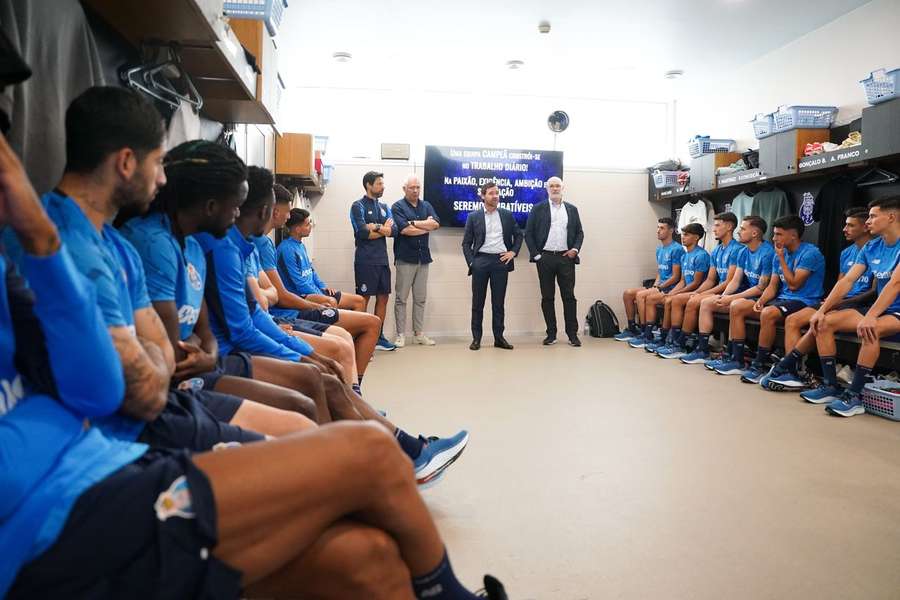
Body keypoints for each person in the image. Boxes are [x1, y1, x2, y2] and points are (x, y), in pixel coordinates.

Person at [0, 133, 508, 600]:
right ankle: (405, 471)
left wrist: (180, 353)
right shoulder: (113, 242)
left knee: (367, 555)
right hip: (78, 498)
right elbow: (143, 379)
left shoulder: (157, 244)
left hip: (121, 441)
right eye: (158, 164)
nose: (161, 180)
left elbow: (172, 344)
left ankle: (401, 466)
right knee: (353, 434)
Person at [194, 168, 470, 486]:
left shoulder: (238, 247)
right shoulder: (226, 248)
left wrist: (300, 348)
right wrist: (301, 353)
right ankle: (370, 465)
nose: (276, 218)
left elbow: (256, 312)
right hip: (236, 349)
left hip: (255, 334)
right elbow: (251, 320)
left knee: (331, 365)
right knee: (319, 372)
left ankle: (400, 450)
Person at [120, 141, 329, 425]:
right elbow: (172, 349)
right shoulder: (157, 244)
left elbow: (202, 331)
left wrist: (205, 352)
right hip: (169, 385)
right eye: (235, 206)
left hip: (205, 362)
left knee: (311, 383)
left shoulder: (194, 246)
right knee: (298, 406)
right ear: (210, 206)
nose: (237, 215)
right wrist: (202, 350)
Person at [761, 199, 900, 417]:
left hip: (894, 311)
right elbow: (846, 282)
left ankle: (854, 396)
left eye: (873, 216)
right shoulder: (872, 247)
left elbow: (895, 284)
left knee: (871, 329)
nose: (869, 222)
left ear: (891, 217)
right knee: (823, 322)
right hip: (878, 308)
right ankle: (830, 386)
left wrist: (871, 316)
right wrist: (822, 310)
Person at [257, 187, 382, 389]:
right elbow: (281, 294)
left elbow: (285, 286)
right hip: (289, 311)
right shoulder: (273, 247)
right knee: (361, 327)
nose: (289, 216)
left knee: (358, 312)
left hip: (291, 306)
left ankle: (354, 389)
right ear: (274, 212)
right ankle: (353, 391)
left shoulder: (287, 246)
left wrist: (322, 289)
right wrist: (314, 304)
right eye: (288, 211)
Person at [759, 208, 874, 391]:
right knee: (793, 320)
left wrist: (839, 303)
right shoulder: (846, 253)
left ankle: (793, 368)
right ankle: (792, 373)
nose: (844, 229)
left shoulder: (876, 249)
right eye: (845, 224)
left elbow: (873, 291)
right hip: (839, 302)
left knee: (821, 322)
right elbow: (842, 283)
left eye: (850, 225)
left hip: (860, 304)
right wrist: (830, 302)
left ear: (865, 227)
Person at [714, 215, 825, 383]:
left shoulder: (810, 253)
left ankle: (761, 365)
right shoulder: (778, 254)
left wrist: (781, 258)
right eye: (774, 234)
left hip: (805, 300)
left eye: (779, 234)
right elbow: (772, 286)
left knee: (768, 314)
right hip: (782, 299)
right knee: (737, 307)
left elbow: (794, 285)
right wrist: (761, 300)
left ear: (793, 235)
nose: (774, 238)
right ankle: (737, 360)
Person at [680, 215, 774, 365]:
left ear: (755, 233)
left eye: (743, 229)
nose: (739, 232)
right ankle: (703, 350)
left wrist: (729, 298)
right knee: (707, 303)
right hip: (744, 296)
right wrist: (723, 297)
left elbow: (761, 287)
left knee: (734, 306)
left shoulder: (767, 252)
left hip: (763, 299)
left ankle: (734, 357)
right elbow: (735, 281)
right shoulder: (744, 252)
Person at [656, 212, 742, 359]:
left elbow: (729, 281)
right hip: (717, 291)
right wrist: (699, 292)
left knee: (693, 300)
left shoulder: (737, 249)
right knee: (682, 299)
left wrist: (702, 294)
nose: (714, 229)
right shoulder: (716, 250)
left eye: (717, 225)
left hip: (734, 293)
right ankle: (678, 343)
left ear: (729, 227)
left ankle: (688, 345)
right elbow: (709, 280)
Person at [462, 181, 523, 350]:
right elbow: (466, 243)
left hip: (500, 262)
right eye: (491, 193)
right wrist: (472, 263)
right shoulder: (473, 217)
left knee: (498, 303)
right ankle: (476, 339)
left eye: (497, 193)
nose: (495, 196)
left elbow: (519, 236)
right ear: (483, 196)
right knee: (477, 303)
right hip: (480, 262)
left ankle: (499, 338)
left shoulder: (506, 214)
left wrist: (513, 252)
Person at [524, 176, 585, 347]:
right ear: (547, 189)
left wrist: (575, 249)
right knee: (547, 297)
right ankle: (551, 334)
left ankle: (572, 334)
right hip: (545, 258)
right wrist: (537, 255)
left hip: (566, 258)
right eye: (551, 186)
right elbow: (528, 234)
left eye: (557, 186)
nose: (555, 188)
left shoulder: (572, 209)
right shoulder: (538, 209)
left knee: (569, 297)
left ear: (562, 188)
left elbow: (579, 232)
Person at [629, 223, 709, 349]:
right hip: (683, 290)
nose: (683, 237)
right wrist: (671, 292)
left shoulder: (701, 255)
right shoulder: (685, 255)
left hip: (696, 291)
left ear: (696, 237)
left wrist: (676, 293)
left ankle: (672, 339)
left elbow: (696, 283)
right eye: (683, 234)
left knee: (670, 300)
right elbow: (683, 280)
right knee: (665, 299)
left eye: (687, 235)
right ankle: (657, 335)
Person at [391, 174, 441, 347]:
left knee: (420, 298)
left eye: (418, 187)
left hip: (423, 258)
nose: (415, 190)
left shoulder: (426, 205)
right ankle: (400, 335)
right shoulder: (397, 206)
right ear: (404, 189)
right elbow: (405, 230)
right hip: (405, 258)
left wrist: (414, 222)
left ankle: (419, 334)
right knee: (401, 299)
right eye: (412, 187)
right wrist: (424, 226)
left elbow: (435, 224)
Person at [614, 217, 683, 341]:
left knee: (641, 295)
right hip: (659, 286)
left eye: (662, 228)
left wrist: (659, 287)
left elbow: (676, 276)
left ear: (671, 230)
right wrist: (655, 286)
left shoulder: (677, 249)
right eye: (657, 227)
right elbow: (660, 272)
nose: (658, 231)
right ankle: (632, 328)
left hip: (670, 288)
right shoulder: (659, 249)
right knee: (628, 293)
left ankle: (646, 332)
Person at [350, 170, 397, 351]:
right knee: (363, 299)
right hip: (365, 260)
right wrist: (382, 227)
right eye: (379, 183)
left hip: (382, 260)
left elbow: (394, 231)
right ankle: (360, 338)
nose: (382, 186)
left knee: (383, 298)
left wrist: (375, 227)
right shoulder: (358, 206)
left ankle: (378, 337)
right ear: (369, 185)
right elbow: (362, 232)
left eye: (383, 183)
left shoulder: (385, 206)